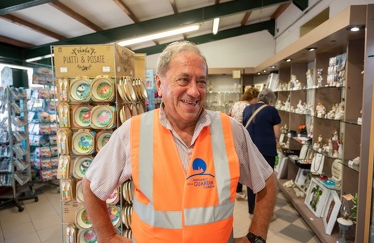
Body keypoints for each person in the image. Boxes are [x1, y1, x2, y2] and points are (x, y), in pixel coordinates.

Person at [82, 40, 276, 243]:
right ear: (159, 83)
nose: (194, 91)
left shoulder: (231, 130)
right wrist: (108, 237)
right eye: (183, 80)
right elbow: (92, 187)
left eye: (201, 82)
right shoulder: (133, 132)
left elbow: (267, 182)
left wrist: (256, 237)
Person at [242, 88, 281, 219]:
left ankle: (252, 211)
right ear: (270, 101)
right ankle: (265, 213)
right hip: (266, 150)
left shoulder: (247, 109)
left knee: (252, 181)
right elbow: (277, 134)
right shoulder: (272, 111)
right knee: (266, 182)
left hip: (250, 150)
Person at [228, 87, 259, 200]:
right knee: (244, 162)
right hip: (243, 134)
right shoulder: (249, 107)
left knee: (236, 162)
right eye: (256, 98)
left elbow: (229, 116)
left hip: (232, 134)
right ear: (253, 97)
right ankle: (245, 190)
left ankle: (237, 190)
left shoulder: (236, 104)